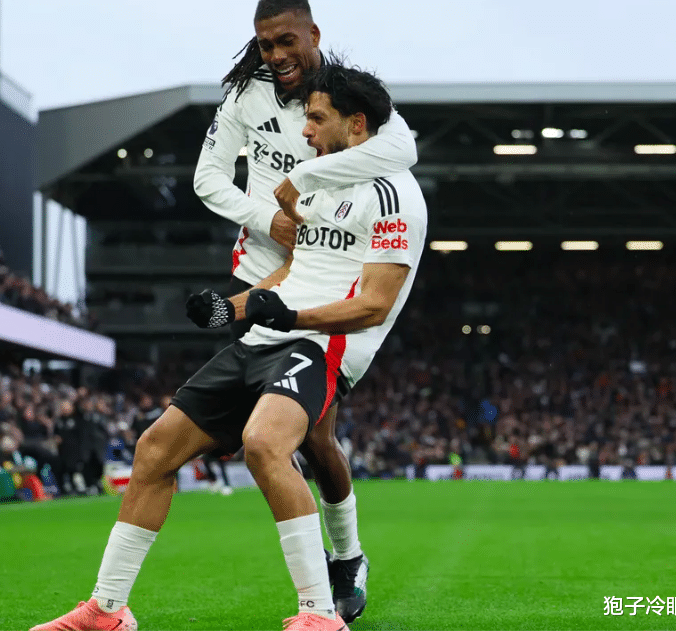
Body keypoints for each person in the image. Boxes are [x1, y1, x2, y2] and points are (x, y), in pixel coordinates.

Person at [31, 62, 427, 631]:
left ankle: (320, 615)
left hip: (322, 344)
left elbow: (374, 304)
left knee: (265, 444)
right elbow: (294, 272)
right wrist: (230, 307)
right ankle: (107, 610)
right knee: (154, 450)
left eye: (317, 119)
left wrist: (290, 316)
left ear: (357, 123)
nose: (306, 130)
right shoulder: (318, 185)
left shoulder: (395, 195)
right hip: (268, 336)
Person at [193, 1, 417, 619]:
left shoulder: (344, 98)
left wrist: (306, 186)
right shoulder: (245, 97)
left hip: (327, 270)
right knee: (273, 436)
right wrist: (269, 217)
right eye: (266, 45)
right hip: (263, 270)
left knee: (315, 440)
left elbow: (402, 152)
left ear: (313, 35)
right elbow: (208, 179)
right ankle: (325, 566)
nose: (277, 56)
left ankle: (345, 558)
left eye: (287, 41)